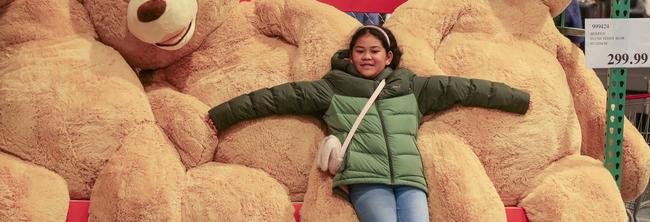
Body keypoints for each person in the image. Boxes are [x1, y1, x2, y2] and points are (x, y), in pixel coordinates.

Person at [206, 26, 530, 222]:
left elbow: (467, 89)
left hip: (409, 179)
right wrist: (221, 115)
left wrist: (518, 99)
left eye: (375, 51)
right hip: (364, 178)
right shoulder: (332, 87)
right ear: (350, 56)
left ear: (389, 57)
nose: (366, 57)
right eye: (359, 51)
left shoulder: (412, 87)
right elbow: (276, 98)